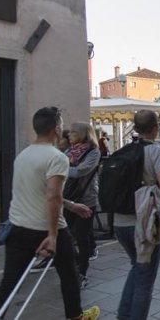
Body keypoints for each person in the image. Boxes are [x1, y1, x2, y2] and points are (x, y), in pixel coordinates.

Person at [0, 107, 99, 320]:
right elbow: (52, 196)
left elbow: (41, 191)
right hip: (47, 228)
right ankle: (76, 316)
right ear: (57, 129)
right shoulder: (57, 158)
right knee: (69, 274)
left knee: (9, 283)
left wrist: (72, 205)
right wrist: (52, 235)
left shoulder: (23, 155)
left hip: (18, 227)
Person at [113, 110, 160, 319]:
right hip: (145, 224)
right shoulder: (157, 152)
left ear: (135, 129)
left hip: (120, 222)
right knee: (145, 278)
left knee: (137, 268)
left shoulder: (124, 150)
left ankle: (123, 315)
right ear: (156, 127)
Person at [62, 122, 101, 288]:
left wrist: (62, 169)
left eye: (74, 132)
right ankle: (74, 264)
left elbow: (81, 171)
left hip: (86, 199)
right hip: (68, 198)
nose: (70, 135)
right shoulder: (68, 151)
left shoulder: (93, 152)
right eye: (70, 132)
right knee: (65, 236)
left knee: (82, 237)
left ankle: (82, 272)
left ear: (84, 134)